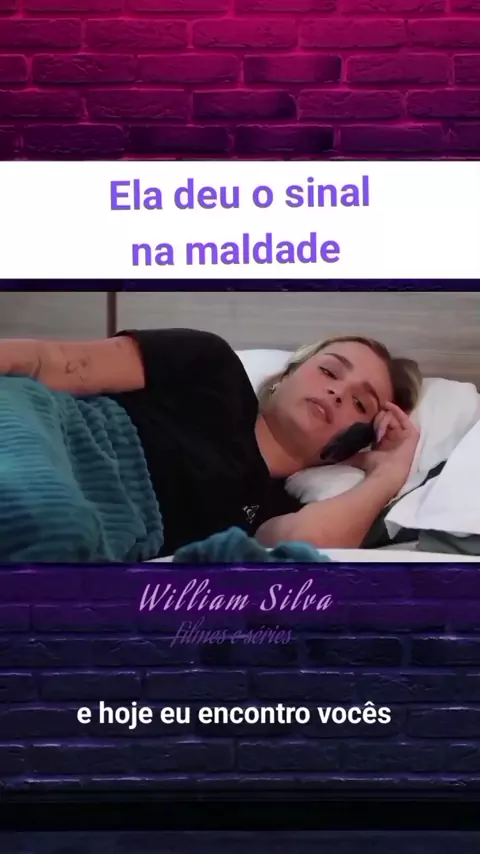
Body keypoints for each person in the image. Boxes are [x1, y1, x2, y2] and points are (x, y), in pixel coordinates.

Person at [0, 328, 421, 559]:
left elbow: (309, 544)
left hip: (96, 535)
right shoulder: (214, 368)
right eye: (329, 372)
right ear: (285, 376)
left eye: (360, 403)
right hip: (44, 428)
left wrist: (388, 473)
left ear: (354, 444)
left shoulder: (278, 512)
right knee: (55, 522)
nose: (337, 392)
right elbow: (56, 361)